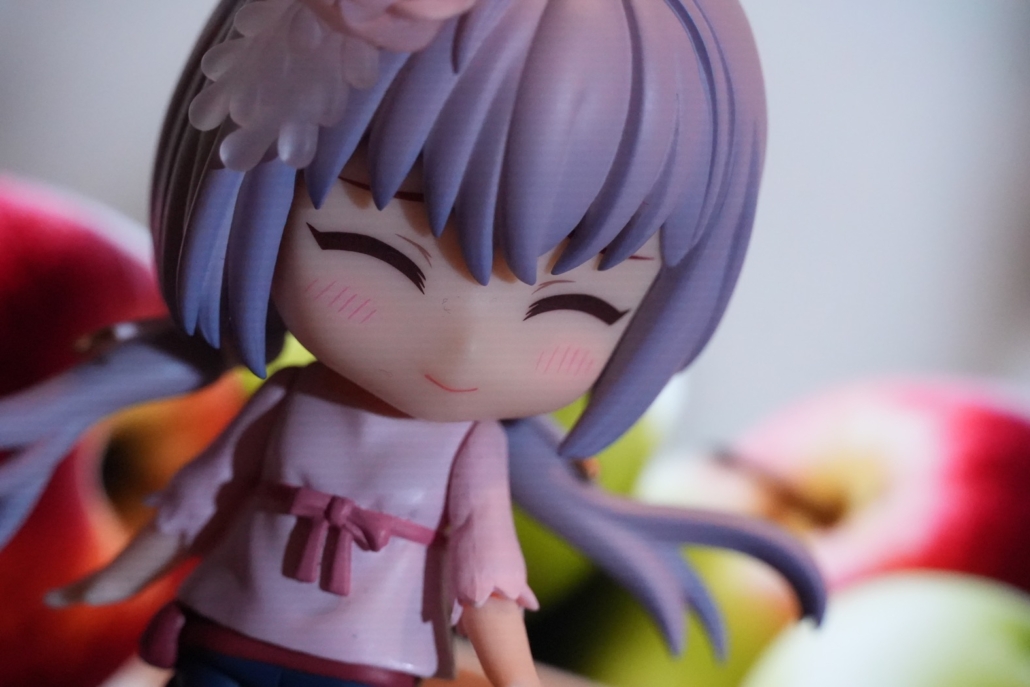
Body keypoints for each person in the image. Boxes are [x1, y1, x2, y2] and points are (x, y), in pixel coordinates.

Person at [1, 0, 824, 685]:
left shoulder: (467, 451)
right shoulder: (286, 400)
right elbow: (201, 500)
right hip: (226, 630)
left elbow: (484, 580)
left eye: (573, 303)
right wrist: (119, 580)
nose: (465, 341)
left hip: (370, 662)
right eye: (376, 251)